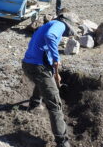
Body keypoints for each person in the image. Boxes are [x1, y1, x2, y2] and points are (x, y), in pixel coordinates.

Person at [21, 10, 77, 147]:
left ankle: (34, 104)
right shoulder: (59, 25)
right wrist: (56, 58)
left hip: (29, 64)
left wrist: (53, 69)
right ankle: (62, 142)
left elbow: (42, 46)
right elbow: (50, 37)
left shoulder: (50, 24)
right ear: (68, 23)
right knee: (55, 105)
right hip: (37, 67)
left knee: (44, 80)